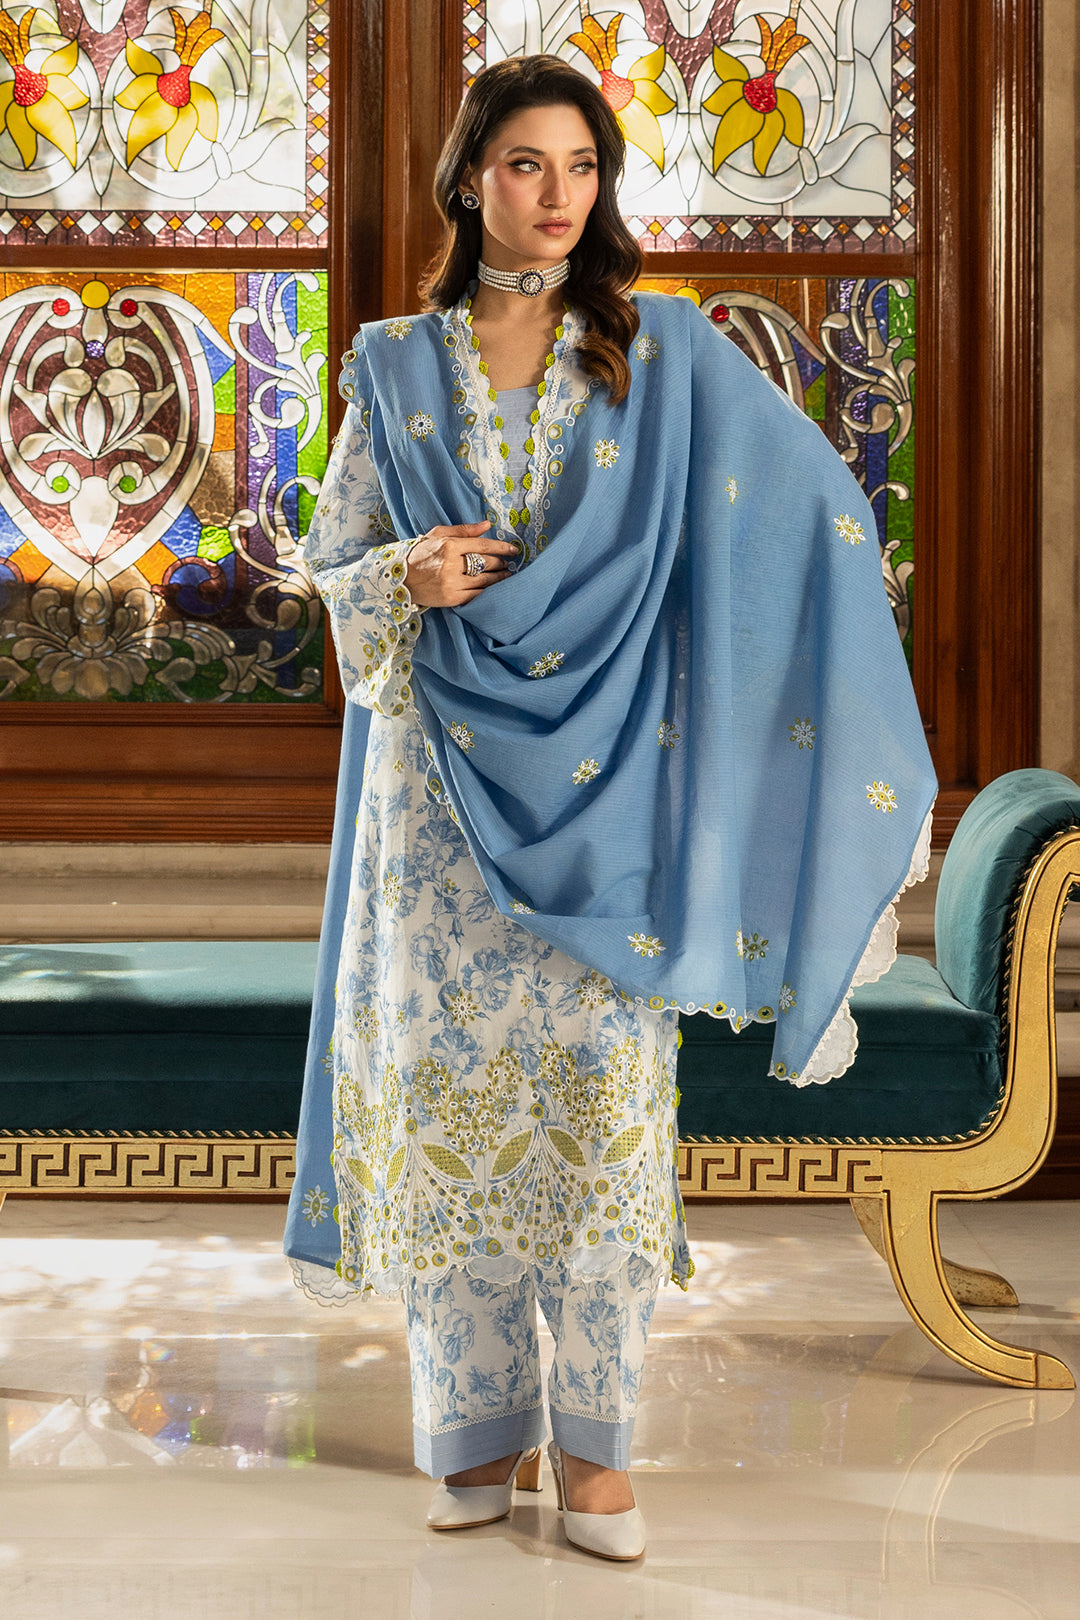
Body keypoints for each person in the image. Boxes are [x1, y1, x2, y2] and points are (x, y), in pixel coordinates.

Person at [284, 53, 936, 1563]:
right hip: (436, 815)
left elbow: (805, 521)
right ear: (471, 178)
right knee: (450, 1113)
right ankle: (474, 1434)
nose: (557, 194)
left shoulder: (659, 356)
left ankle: (595, 1455)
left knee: (600, 1123)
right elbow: (333, 568)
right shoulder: (395, 365)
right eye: (526, 163)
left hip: (613, 799)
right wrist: (404, 577)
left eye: (581, 166)